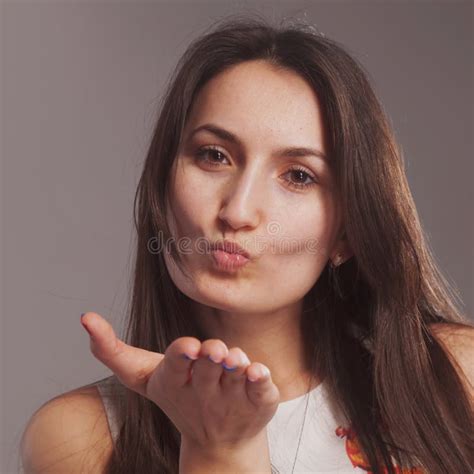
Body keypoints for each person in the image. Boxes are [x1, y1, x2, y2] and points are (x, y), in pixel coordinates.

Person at [20, 14, 473, 474]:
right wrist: (215, 451)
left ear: (347, 233)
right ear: (162, 183)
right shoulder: (82, 439)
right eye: (213, 155)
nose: (237, 211)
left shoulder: (454, 378)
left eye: (298, 176)